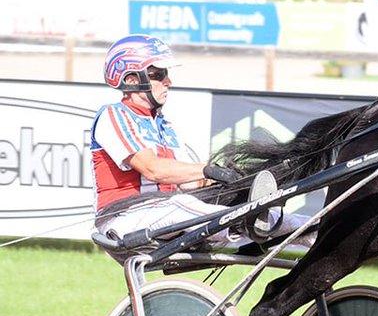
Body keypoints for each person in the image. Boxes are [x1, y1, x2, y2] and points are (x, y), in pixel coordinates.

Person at [91, 34, 308, 249]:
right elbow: (152, 169)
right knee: (183, 204)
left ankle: (313, 230)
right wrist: (207, 170)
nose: (168, 81)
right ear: (131, 80)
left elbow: (189, 183)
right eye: (158, 74)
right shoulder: (113, 115)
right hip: (122, 218)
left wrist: (234, 182)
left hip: (161, 212)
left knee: (226, 201)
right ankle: (244, 222)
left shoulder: (163, 126)